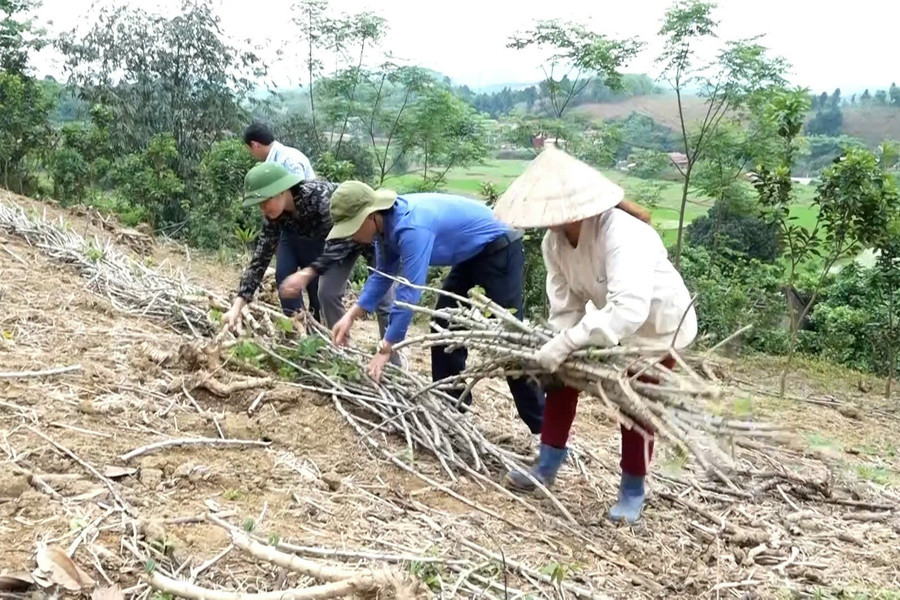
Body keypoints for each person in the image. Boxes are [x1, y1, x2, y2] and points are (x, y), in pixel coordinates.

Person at [494, 146, 697, 524]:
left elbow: (629, 308)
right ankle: (548, 462)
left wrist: (569, 342)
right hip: (610, 322)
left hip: (657, 327)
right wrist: (559, 342)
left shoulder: (623, 233)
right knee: (562, 378)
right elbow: (566, 307)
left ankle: (633, 487)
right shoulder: (553, 243)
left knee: (634, 400)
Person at [323, 180, 547, 434]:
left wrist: (386, 347)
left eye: (352, 227)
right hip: (471, 254)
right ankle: (452, 410)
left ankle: (545, 429)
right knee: (443, 324)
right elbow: (384, 274)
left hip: (499, 247)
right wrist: (351, 315)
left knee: (508, 341)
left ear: (371, 215)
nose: (352, 235)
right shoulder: (384, 229)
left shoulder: (412, 227)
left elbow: (409, 291)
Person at [222, 163, 401, 365]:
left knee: (385, 300)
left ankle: (393, 364)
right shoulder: (274, 217)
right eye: (259, 204)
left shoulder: (320, 199)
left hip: (370, 235)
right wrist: (237, 306)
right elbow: (260, 258)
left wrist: (308, 273)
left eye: (265, 201)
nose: (263, 209)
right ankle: (343, 354)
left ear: (281, 191)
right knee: (327, 292)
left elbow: (343, 242)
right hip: (340, 245)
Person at [243, 122, 320, 319]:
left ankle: (322, 332)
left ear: (254, 145)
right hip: (287, 228)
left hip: (313, 231)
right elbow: (260, 257)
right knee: (284, 278)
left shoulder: (289, 160)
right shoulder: (271, 164)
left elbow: (303, 199)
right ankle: (297, 327)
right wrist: (240, 300)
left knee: (316, 285)